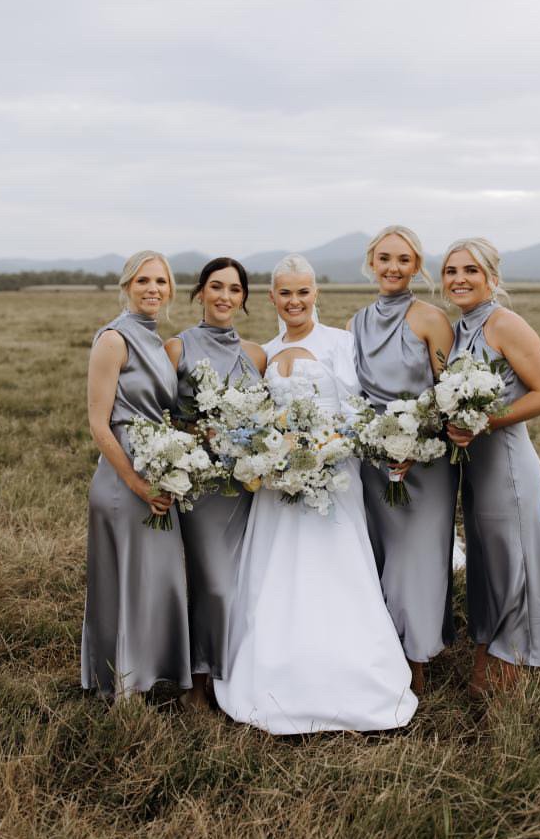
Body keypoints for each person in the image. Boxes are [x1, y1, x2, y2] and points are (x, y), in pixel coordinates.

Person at [213, 255, 418, 734]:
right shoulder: (262, 352)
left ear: (316, 294)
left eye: (303, 292)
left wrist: (325, 452)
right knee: (275, 573)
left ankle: (356, 681)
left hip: (334, 478)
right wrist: (273, 454)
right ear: (272, 298)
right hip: (276, 487)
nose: (295, 301)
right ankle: (272, 675)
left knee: (338, 571)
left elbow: (360, 409)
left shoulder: (342, 345)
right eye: (285, 293)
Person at [442, 238, 540, 695]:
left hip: (508, 463)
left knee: (511, 559)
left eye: (471, 270)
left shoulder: (506, 323)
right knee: (486, 560)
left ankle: (509, 663)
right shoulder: (459, 330)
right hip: (475, 467)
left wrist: (485, 422)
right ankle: (489, 650)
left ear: (492, 278)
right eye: (451, 270)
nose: (459, 278)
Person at [349, 226, 460, 695]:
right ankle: (386, 651)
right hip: (375, 459)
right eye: (384, 258)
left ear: (417, 266)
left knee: (416, 557)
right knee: (381, 556)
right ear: (371, 262)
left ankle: (417, 658)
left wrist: (416, 442)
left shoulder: (431, 319)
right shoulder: (356, 321)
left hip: (427, 460)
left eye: (403, 259)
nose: (393, 267)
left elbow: (449, 394)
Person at [81, 251, 191, 700]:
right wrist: (136, 483)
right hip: (124, 480)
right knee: (127, 580)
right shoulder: (114, 339)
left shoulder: (157, 339)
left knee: (157, 578)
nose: (152, 289)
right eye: (143, 280)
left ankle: (151, 672)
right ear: (126, 286)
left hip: (159, 473)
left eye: (160, 282)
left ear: (169, 289)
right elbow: (98, 423)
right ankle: (123, 682)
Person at [165, 258, 266, 708]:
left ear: (244, 297)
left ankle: (236, 682)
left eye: (235, 289)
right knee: (214, 584)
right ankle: (198, 683)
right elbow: (161, 418)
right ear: (200, 292)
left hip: (247, 487)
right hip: (203, 487)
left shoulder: (257, 354)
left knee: (245, 582)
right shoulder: (177, 348)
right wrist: (194, 434)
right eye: (216, 286)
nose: (225, 296)